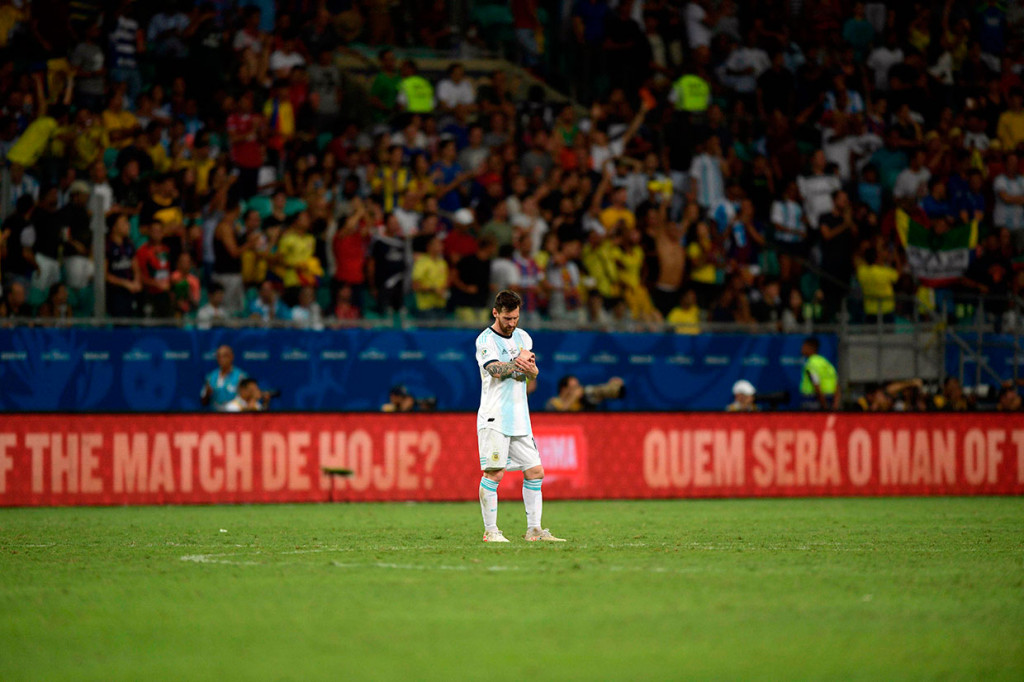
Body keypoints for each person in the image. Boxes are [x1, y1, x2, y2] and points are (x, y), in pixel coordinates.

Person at [474, 289, 563, 543]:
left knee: (535, 471)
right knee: (494, 472)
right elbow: (493, 369)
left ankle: (534, 530)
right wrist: (518, 364)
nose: (512, 323)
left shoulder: (523, 337)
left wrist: (532, 371)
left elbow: (530, 375)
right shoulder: (485, 341)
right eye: (507, 318)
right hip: (495, 417)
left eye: (515, 318)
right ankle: (491, 531)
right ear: (495, 313)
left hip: (520, 417)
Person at [201, 345, 247, 411]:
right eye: (218, 356)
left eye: (224, 356)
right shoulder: (211, 377)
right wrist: (207, 394)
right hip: (215, 416)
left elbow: (247, 401)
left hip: (234, 417)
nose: (221, 359)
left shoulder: (241, 377)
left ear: (231, 357)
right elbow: (203, 402)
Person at [800, 336, 841, 411]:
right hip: (830, 399)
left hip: (813, 400)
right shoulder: (826, 363)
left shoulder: (811, 364)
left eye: (804, 346)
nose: (801, 349)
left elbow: (816, 384)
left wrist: (824, 405)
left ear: (810, 348)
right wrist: (835, 404)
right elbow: (836, 385)